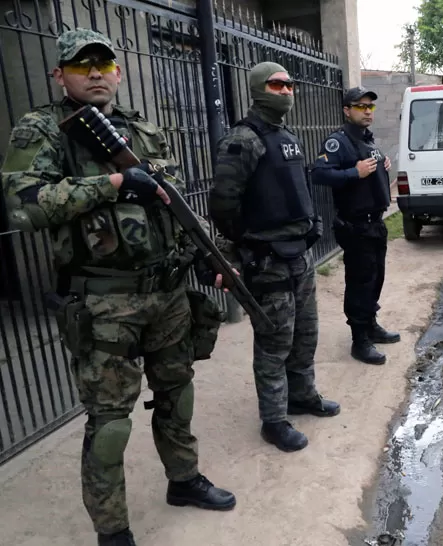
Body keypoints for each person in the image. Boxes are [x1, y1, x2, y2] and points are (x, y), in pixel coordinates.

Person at [0, 28, 235, 546]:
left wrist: (203, 259)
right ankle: (113, 530)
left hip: (167, 294)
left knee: (177, 392)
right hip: (104, 300)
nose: (96, 74)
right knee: (110, 423)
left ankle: (184, 479)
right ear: (60, 75)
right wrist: (111, 183)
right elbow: (25, 204)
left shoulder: (143, 131)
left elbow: (173, 209)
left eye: (104, 65)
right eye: (82, 66)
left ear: (119, 73)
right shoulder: (43, 129)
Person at [208, 62, 340, 453]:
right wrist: (250, 244)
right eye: (277, 84)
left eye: (289, 84)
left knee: (305, 335)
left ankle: (302, 396)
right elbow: (223, 204)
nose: (286, 90)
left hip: (300, 256)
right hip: (268, 261)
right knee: (274, 343)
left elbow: (297, 187)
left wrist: (311, 225)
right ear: (257, 88)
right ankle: (274, 419)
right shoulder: (243, 140)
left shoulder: (286, 136)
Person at [310, 87, 400, 365]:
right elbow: (319, 173)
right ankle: (359, 340)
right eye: (361, 107)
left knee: (376, 279)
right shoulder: (339, 142)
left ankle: (371, 324)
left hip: (376, 223)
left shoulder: (367, 140)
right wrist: (354, 172)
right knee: (360, 282)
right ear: (347, 110)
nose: (368, 111)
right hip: (356, 226)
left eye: (370, 107)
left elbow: (371, 169)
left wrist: (381, 163)